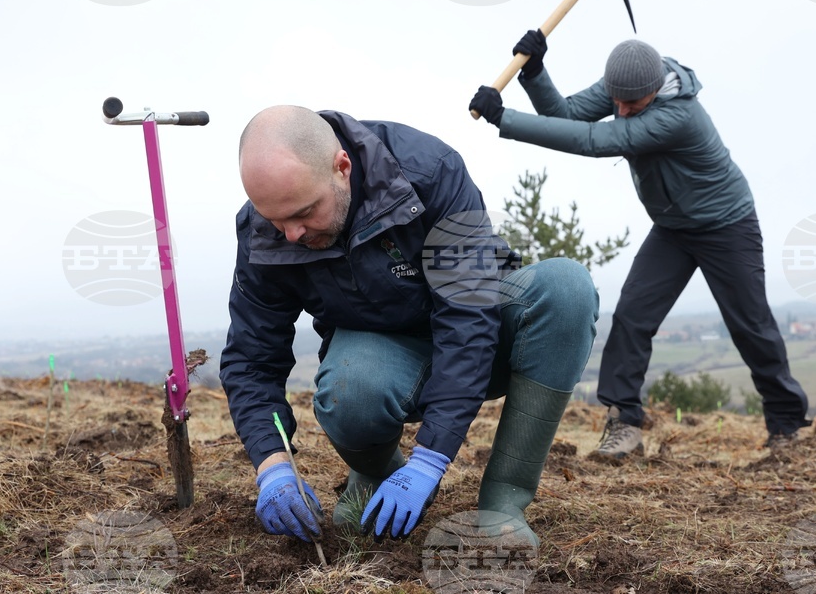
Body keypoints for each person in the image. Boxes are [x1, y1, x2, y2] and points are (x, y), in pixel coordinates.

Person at [219, 105, 599, 544]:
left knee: (567, 289)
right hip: (382, 358)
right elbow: (251, 360)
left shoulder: (427, 173)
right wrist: (272, 465)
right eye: (276, 219)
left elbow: (468, 315)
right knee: (351, 387)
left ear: (341, 167)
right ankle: (377, 472)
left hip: (481, 336)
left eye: (304, 212)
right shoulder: (264, 231)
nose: (292, 234)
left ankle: (503, 504)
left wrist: (430, 461)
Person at [469, 31, 811, 463]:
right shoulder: (625, 86)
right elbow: (570, 116)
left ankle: (786, 425)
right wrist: (535, 73)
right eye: (618, 102)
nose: (623, 111)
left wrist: (506, 119)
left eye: (634, 105)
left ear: (654, 90)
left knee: (750, 325)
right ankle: (625, 423)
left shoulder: (680, 116)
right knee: (631, 317)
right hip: (672, 228)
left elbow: (595, 141)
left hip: (727, 225)